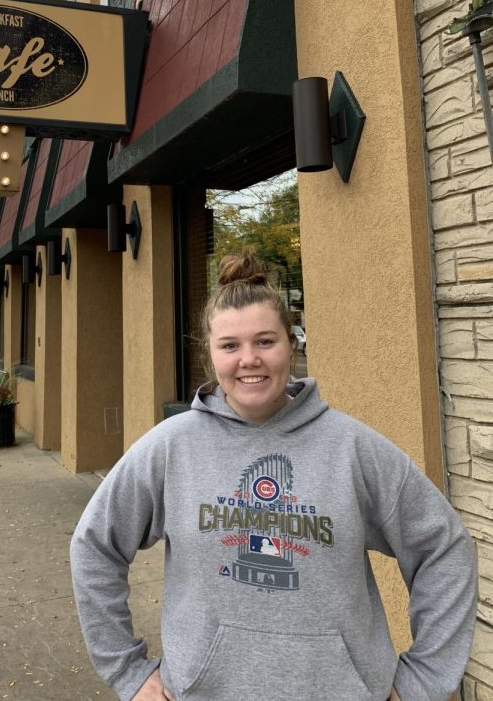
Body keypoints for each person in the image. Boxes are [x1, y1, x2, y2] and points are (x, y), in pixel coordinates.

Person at [70, 251, 477, 701]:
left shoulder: (353, 449)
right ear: (210, 353)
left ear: (292, 344)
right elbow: (94, 545)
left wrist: (422, 681)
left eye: (265, 341)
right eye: (230, 346)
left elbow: (444, 549)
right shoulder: (171, 447)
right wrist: (127, 671)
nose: (249, 360)